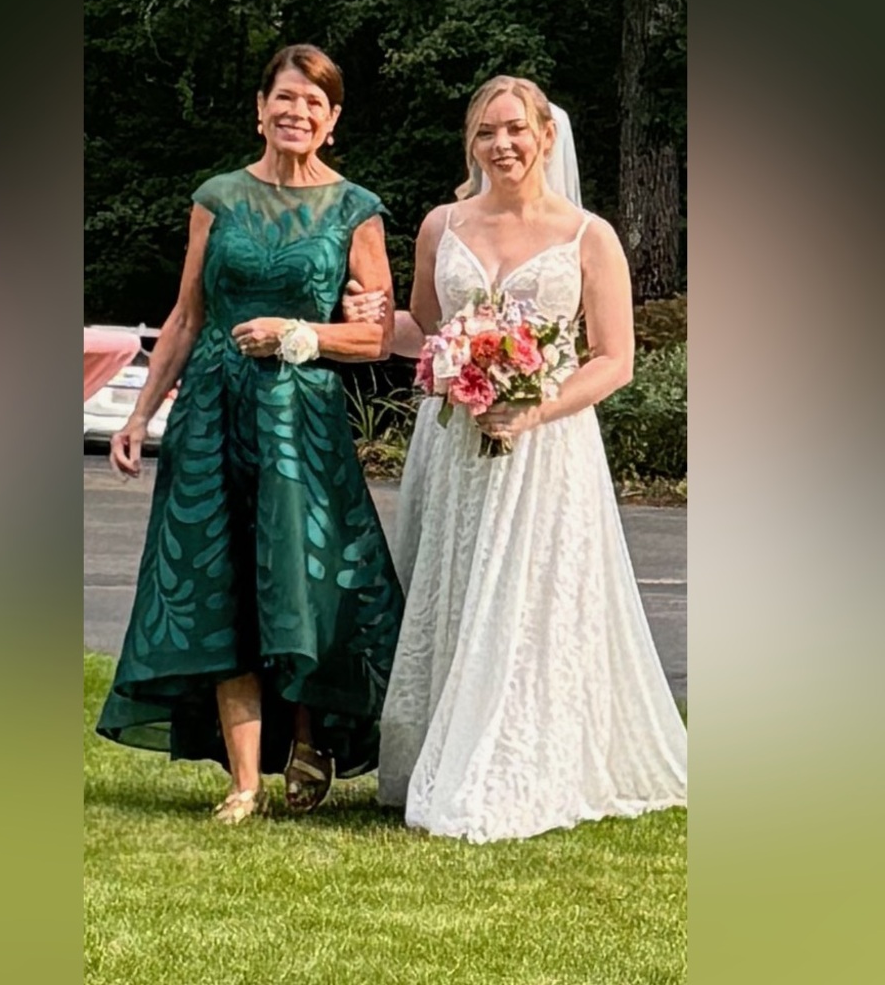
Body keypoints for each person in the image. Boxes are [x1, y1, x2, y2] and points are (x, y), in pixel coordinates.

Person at [348, 76, 687, 843]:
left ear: (546, 135)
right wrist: (378, 319)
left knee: (531, 600)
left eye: (514, 130)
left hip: (549, 446)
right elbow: (426, 334)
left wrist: (534, 407)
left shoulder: (587, 235)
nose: (501, 145)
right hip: (454, 443)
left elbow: (615, 360)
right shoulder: (443, 224)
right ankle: (439, 744)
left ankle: (522, 756)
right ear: (471, 143)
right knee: (458, 587)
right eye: (484, 133)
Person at [96, 44, 405, 825]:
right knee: (217, 580)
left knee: (298, 579)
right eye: (284, 98)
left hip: (301, 424)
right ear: (260, 108)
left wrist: (295, 331)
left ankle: (307, 742)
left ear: (332, 122)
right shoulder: (218, 197)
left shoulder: (356, 210)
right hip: (211, 415)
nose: (295, 113)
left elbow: (371, 339)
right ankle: (243, 780)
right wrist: (140, 414)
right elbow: (187, 315)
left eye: (313, 103)